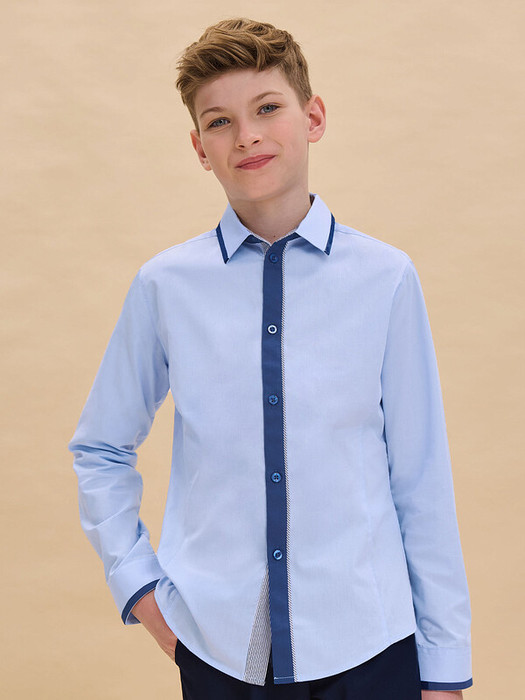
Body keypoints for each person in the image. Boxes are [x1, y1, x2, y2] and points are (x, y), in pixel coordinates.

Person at [68, 17, 472, 699]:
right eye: (219, 122)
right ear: (199, 148)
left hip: (370, 645)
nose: (246, 136)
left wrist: (443, 665)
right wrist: (140, 588)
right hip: (220, 652)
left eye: (266, 108)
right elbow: (100, 448)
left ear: (312, 118)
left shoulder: (386, 280)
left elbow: (420, 478)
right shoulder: (166, 287)